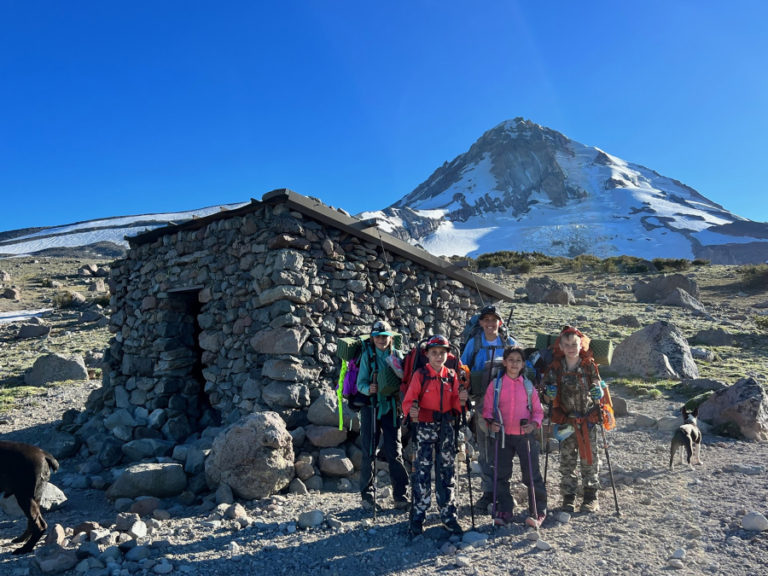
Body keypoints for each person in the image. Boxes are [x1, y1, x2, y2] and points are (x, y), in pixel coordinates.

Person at [402, 335, 469, 536]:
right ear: (427, 354)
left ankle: (448, 513)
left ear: (448, 355)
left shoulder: (452, 375)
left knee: (447, 469)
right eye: (434, 353)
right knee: (422, 469)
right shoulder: (420, 375)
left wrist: (462, 401)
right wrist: (410, 411)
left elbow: (457, 402)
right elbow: (409, 399)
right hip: (424, 427)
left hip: (447, 427)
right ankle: (419, 513)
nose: (438, 356)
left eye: (442, 352)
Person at [542, 325, 605, 514]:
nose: (571, 347)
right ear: (560, 346)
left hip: (588, 420)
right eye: (567, 344)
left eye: (574, 344)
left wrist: (598, 391)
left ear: (581, 345)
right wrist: (548, 394)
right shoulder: (555, 368)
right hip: (565, 421)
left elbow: (597, 387)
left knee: (590, 459)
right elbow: (545, 397)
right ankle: (568, 498)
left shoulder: (588, 365)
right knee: (567, 460)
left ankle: (590, 497)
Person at [460, 304, 516, 513]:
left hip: (507, 403)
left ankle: (503, 491)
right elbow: (462, 369)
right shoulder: (474, 344)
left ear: (499, 323)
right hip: (483, 403)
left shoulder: (509, 343)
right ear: (481, 322)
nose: (491, 324)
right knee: (484, 449)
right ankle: (488, 492)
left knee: (504, 448)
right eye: (487, 320)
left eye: (494, 320)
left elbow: (521, 368)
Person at [483, 346, 547, 526]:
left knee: (531, 474)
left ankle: (538, 510)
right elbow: (487, 410)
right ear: (504, 362)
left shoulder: (528, 386)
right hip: (502, 436)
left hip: (525, 437)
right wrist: (490, 422)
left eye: (518, 360)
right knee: (501, 474)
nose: (514, 363)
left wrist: (533, 424)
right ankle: (505, 509)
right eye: (510, 360)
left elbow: (538, 412)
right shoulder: (495, 385)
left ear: (523, 364)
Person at [356, 319, 410, 511]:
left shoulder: (397, 355)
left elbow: (405, 381)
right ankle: (367, 497)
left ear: (390, 338)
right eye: (378, 336)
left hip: (391, 409)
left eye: (385, 336)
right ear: (372, 338)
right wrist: (367, 388)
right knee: (369, 452)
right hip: (371, 407)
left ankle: (400, 496)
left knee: (394, 453)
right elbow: (359, 383)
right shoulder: (367, 356)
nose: (381, 340)